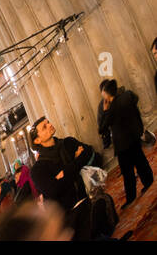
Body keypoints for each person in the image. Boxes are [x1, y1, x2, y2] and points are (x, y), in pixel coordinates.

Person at [29, 116, 92, 240]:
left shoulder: (67, 143)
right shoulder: (38, 169)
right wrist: (75, 161)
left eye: (48, 122)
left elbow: (88, 152)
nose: (50, 125)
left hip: (85, 199)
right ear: (37, 140)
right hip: (67, 217)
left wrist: (63, 174)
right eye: (44, 127)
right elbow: (53, 191)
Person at [97, 78, 153, 207]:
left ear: (106, 93)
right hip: (134, 136)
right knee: (141, 161)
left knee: (127, 172)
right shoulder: (127, 95)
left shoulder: (111, 109)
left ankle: (131, 197)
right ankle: (148, 181)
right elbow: (135, 99)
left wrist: (105, 111)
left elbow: (102, 128)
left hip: (122, 144)